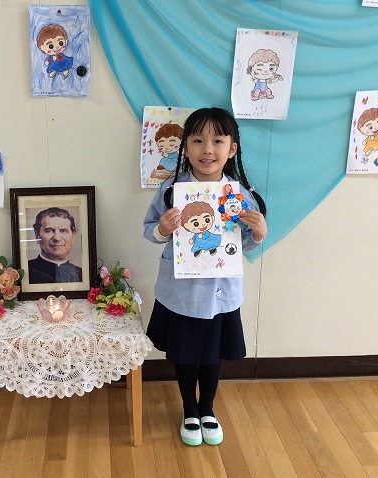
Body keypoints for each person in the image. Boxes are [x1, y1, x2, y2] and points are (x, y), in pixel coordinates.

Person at [143, 107, 267, 447]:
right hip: (181, 291)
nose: (207, 149)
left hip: (220, 290)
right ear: (186, 147)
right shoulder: (172, 188)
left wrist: (258, 233)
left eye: (217, 141)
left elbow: (239, 244)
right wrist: (162, 229)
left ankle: (207, 409)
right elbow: (149, 230)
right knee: (185, 353)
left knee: (212, 353)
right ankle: (189, 409)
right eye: (198, 140)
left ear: (232, 149)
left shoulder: (239, 194)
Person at [28, 207, 82, 283]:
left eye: (63, 231)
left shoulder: (82, 275)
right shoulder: (26, 272)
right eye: (49, 231)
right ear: (37, 235)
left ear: (73, 236)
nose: (57, 238)